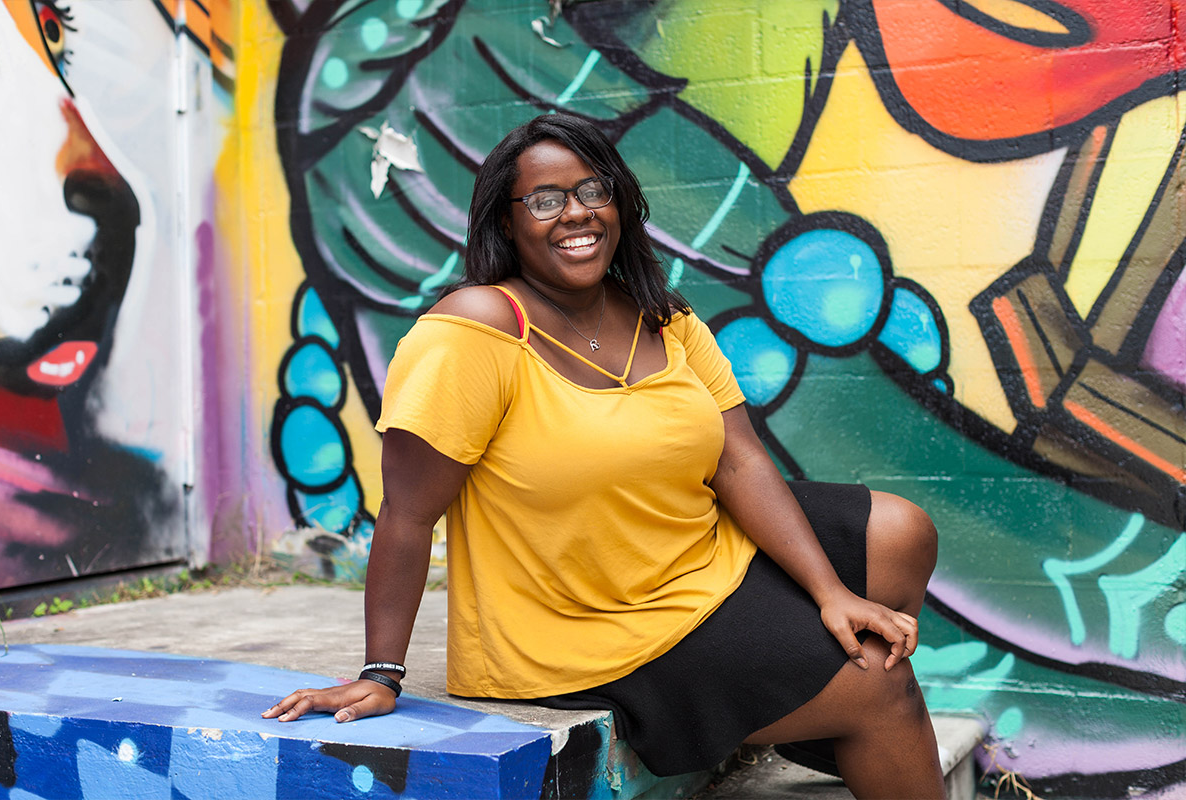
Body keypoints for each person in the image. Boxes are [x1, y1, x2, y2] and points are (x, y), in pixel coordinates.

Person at [264, 114, 946, 799]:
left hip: (688, 549)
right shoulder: (475, 331)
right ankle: (843, 713)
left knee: (901, 534)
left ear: (620, 202)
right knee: (879, 686)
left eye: (593, 191)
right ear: (506, 223)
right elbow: (408, 515)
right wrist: (381, 673)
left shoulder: (664, 318)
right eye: (545, 199)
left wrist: (831, 596)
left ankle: (802, 715)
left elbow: (738, 459)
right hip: (586, 623)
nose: (575, 214)